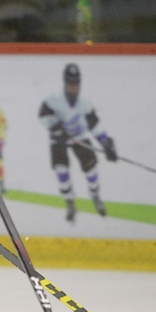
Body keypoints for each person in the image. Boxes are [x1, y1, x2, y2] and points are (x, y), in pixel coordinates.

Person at [38, 63, 117, 222]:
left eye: (75, 83)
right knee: (62, 170)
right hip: (59, 139)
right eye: (70, 83)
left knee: (91, 169)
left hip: (79, 137)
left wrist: (106, 143)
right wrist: (56, 129)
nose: (73, 86)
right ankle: (69, 202)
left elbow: (94, 124)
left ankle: (95, 196)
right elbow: (43, 115)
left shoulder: (85, 102)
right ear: (65, 82)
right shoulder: (54, 99)